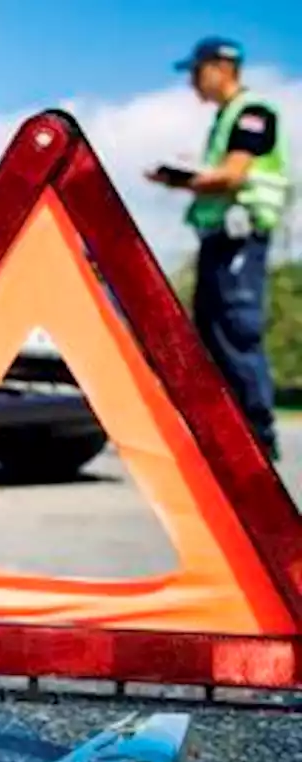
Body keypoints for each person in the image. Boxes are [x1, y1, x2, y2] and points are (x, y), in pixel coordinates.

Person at [146, 37, 291, 461]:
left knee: (236, 330)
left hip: (239, 239)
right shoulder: (226, 118)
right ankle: (226, 434)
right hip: (219, 241)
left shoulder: (252, 113)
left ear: (221, 68)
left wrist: (180, 179)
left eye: (196, 72)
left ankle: (256, 440)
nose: (193, 82)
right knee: (211, 330)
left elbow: (231, 175)